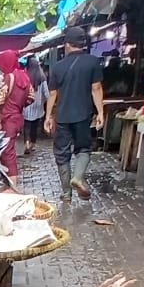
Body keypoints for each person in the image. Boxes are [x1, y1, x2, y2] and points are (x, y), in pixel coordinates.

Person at [45, 26, 105, 201]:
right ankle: (78, 177)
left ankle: (66, 193)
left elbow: (53, 94)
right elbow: (96, 88)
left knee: (62, 154)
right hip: (83, 115)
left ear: (67, 44)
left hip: (62, 116)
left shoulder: (57, 67)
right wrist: (100, 112)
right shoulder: (93, 62)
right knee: (84, 148)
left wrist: (48, 116)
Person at [0, 50, 32, 184]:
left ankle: (12, 184)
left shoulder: (8, 77)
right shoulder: (24, 76)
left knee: (7, 152)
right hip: (18, 117)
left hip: (7, 119)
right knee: (10, 149)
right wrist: (18, 105)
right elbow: (31, 98)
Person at [22, 57, 48, 155]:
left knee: (26, 126)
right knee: (34, 126)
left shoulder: (25, 76)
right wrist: (43, 101)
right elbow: (46, 93)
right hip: (38, 106)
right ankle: (32, 143)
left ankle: (27, 143)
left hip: (27, 105)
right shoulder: (42, 77)